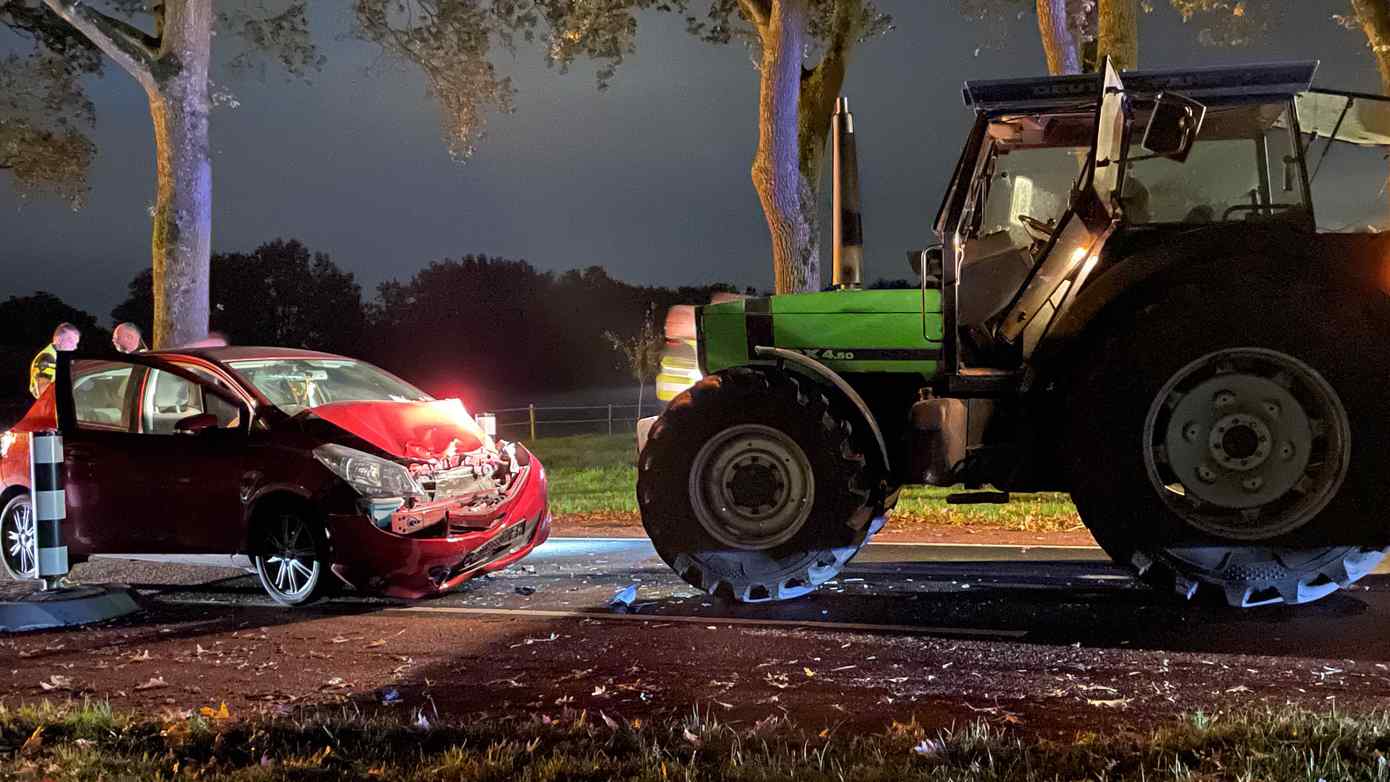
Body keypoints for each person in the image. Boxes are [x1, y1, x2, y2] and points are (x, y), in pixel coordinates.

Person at [29, 322, 80, 399]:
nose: (75, 347)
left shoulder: (59, 355)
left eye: (76, 343)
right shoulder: (47, 358)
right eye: (71, 341)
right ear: (58, 339)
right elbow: (43, 390)